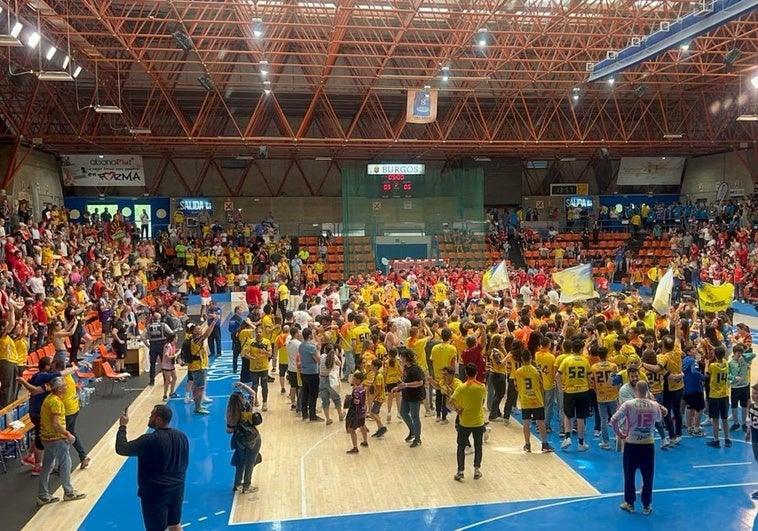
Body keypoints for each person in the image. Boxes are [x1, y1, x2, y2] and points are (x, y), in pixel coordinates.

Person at [116, 404, 189, 531]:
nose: (149, 417)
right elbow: (184, 463)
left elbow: (122, 448)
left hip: (155, 493)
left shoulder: (149, 440)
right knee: (175, 524)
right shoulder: (181, 436)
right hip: (177, 489)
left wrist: (123, 426)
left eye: (152, 415)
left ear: (159, 420)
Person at [610, 380, 663, 516]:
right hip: (648, 443)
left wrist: (620, 434)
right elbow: (659, 419)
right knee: (648, 475)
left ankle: (630, 503)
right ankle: (646, 505)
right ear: (648, 391)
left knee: (629, 474)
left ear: (635, 391)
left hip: (632, 443)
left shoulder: (629, 404)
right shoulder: (654, 405)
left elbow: (613, 420)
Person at [36, 377, 86, 506]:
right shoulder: (56, 402)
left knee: (47, 466)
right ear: (59, 389)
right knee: (65, 463)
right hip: (56, 439)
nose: (66, 387)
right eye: (64, 385)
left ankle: (43, 495)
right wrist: (67, 434)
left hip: (46, 438)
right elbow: (56, 423)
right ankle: (69, 492)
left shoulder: (49, 399)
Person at [450, 363, 487, 481]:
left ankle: (460, 471)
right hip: (478, 422)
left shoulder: (462, 387)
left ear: (466, 373)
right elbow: (482, 401)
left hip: (464, 421)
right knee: (478, 446)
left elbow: (451, 400)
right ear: (476, 373)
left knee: (460, 446)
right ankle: (477, 470)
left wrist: (458, 410)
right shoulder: (482, 387)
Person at [513, 350, 553, 453]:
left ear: (522, 359)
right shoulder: (536, 370)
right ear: (530, 358)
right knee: (541, 422)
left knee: (526, 422)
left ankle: (527, 445)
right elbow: (541, 385)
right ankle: (544, 444)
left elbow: (516, 386)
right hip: (536, 399)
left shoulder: (518, 372)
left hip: (525, 400)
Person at [226, 382, 262, 493]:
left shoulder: (231, 414)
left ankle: (237, 484)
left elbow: (229, 430)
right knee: (250, 462)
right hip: (253, 438)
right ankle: (247, 486)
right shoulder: (248, 407)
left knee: (240, 462)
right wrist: (243, 385)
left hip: (239, 440)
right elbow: (253, 393)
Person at [392, 347, 426, 448]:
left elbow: (420, 382)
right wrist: (398, 387)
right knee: (403, 412)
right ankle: (412, 430)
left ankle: (417, 438)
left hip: (415, 396)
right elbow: (405, 381)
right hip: (407, 395)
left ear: (406, 358)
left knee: (415, 416)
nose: (400, 358)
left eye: (401, 356)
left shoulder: (415, 369)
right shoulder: (406, 367)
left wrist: (405, 386)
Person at [143, 312, 174, 386]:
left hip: (153, 345)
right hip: (162, 345)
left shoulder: (148, 326)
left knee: (152, 364)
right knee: (164, 363)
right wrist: (169, 342)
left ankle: (152, 381)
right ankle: (165, 379)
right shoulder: (163, 325)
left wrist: (147, 345)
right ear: (159, 319)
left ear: (153, 319)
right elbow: (171, 333)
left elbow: (142, 336)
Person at [299, 327, 323, 422]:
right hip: (312, 372)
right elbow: (317, 359)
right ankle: (313, 415)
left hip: (303, 372)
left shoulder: (301, 346)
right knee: (313, 394)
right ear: (309, 335)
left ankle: (305, 414)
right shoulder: (311, 347)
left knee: (305, 393)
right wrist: (318, 350)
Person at [345, 371, 369, 453]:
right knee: (362, 425)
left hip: (355, 412)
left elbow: (356, 401)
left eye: (354, 379)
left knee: (351, 429)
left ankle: (355, 447)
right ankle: (365, 441)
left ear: (358, 380)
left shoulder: (356, 390)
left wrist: (349, 399)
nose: (352, 380)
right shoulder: (363, 388)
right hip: (362, 410)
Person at [744, 383, 758, 500]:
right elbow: (752, 422)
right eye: (753, 393)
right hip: (755, 439)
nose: (755, 395)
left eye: (757, 393)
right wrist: (748, 432)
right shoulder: (752, 407)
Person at [161, 333, 178, 400]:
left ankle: (171, 392)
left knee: (175, 377)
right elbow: (166, 356)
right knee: (168, 380)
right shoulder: (168, 346)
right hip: (166, 366)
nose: (177, 338)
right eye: (176, 337)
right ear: (173, 338)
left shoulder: (173, 345)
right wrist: (174, 356)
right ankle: (164, 395)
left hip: (171, 364)